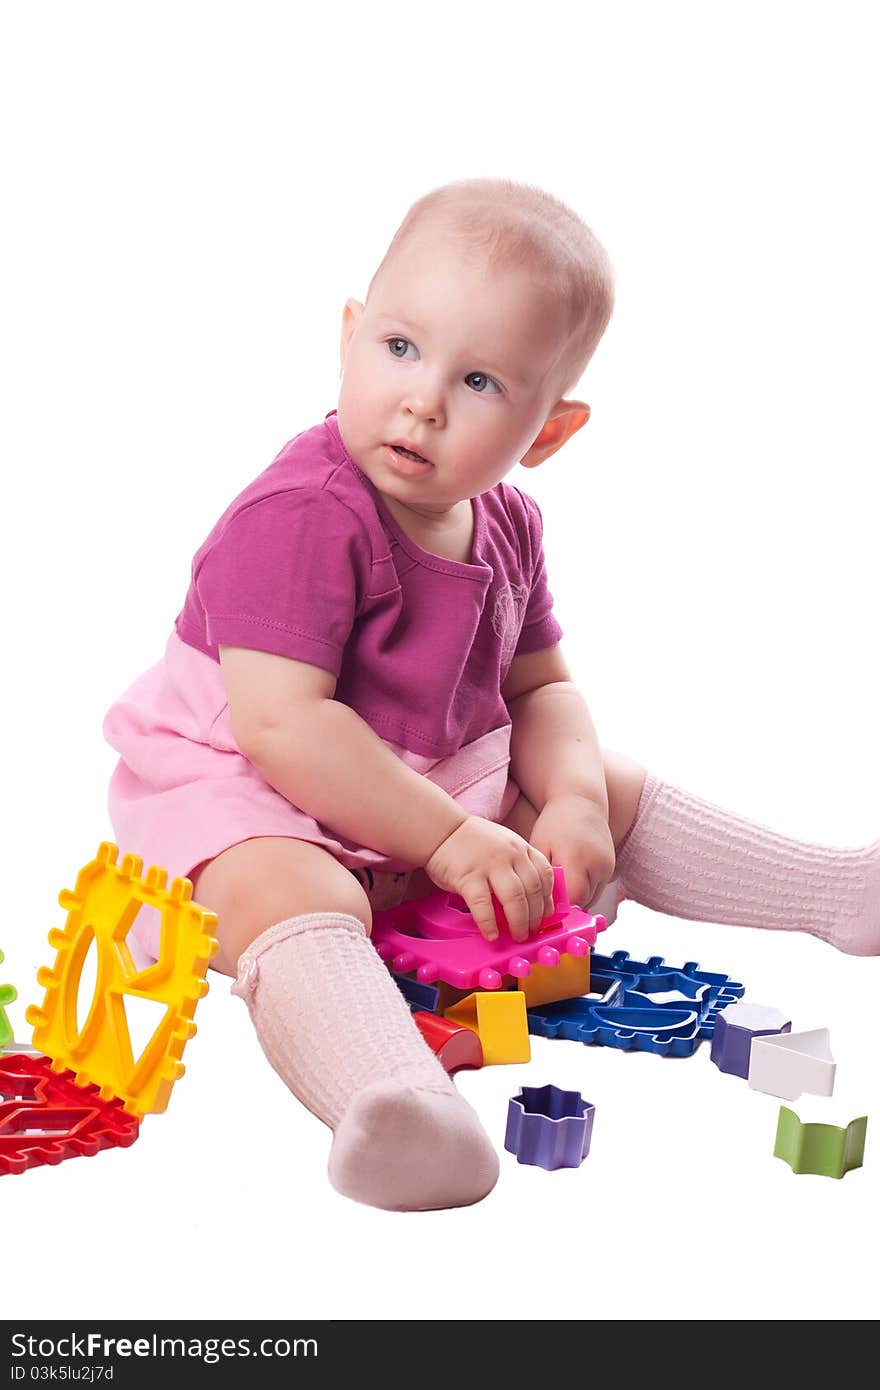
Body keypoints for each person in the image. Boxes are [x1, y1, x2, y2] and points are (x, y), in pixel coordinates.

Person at [103, 178, 880, 1213]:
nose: (421, 400)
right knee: (295, 892)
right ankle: (395, 1104)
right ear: (348, 336)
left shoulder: (505, 520)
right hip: (257, 794)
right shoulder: (300, 514)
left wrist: (563, 800)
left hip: (416, 795)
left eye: (477, 380)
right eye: (398, 349)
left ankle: (833, 889)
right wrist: (453, 842)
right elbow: (283, 725)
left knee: (602, 779)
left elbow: (541, 682)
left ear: (548, 433)